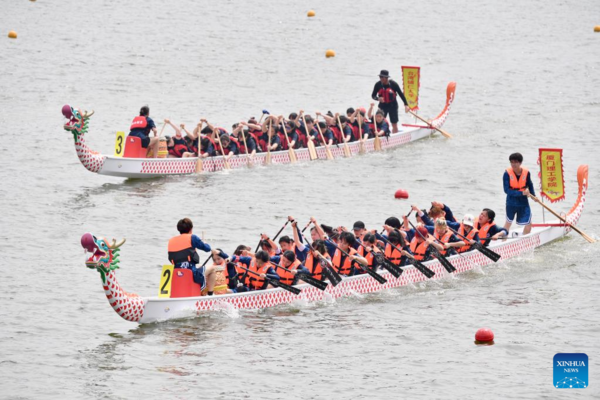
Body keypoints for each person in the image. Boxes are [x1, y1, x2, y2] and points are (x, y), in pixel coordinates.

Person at [167, 218, 221, 295]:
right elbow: (207, 248)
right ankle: (210, 294)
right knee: (212, 269)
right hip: (190, 274)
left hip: (176, 273)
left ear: (179, 229)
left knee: (199, 267)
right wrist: (204, 242)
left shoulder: (171, 241)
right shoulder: (192, 237)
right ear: (191, 229)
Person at [504, 152, 536, 235]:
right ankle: (503, 242)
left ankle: (524, 242)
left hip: (523, 202)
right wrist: (521, 193)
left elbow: (530, 184)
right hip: (511, 201)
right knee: (508, 222)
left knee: (529, 223)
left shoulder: (526, 172)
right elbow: (506, 190)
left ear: (520, 163)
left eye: (516, 162)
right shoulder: (507, 174)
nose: (513, 164)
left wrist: (533, 196)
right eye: (512, 162)